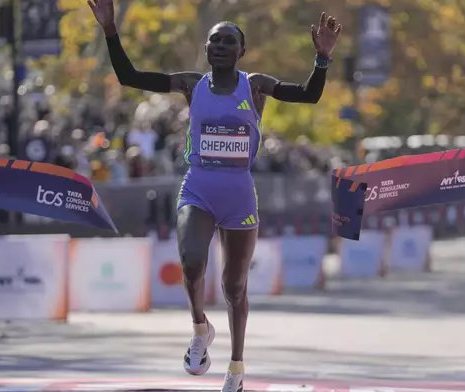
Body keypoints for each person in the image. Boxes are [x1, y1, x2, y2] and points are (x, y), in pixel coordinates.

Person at [88, 0, 341, 390]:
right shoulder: (192, 83)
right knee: (191, 261)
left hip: (239, 190)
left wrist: (321, 59)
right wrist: (109, 30)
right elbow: (129, 76)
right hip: (199, 184)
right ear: (206, 50)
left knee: (234, 286)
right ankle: (200, 328)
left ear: (242, 51)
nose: (220, 46)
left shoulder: (255, 86)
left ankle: (236, 368)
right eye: (214, 41)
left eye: (229, 41)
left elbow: (307, 95)